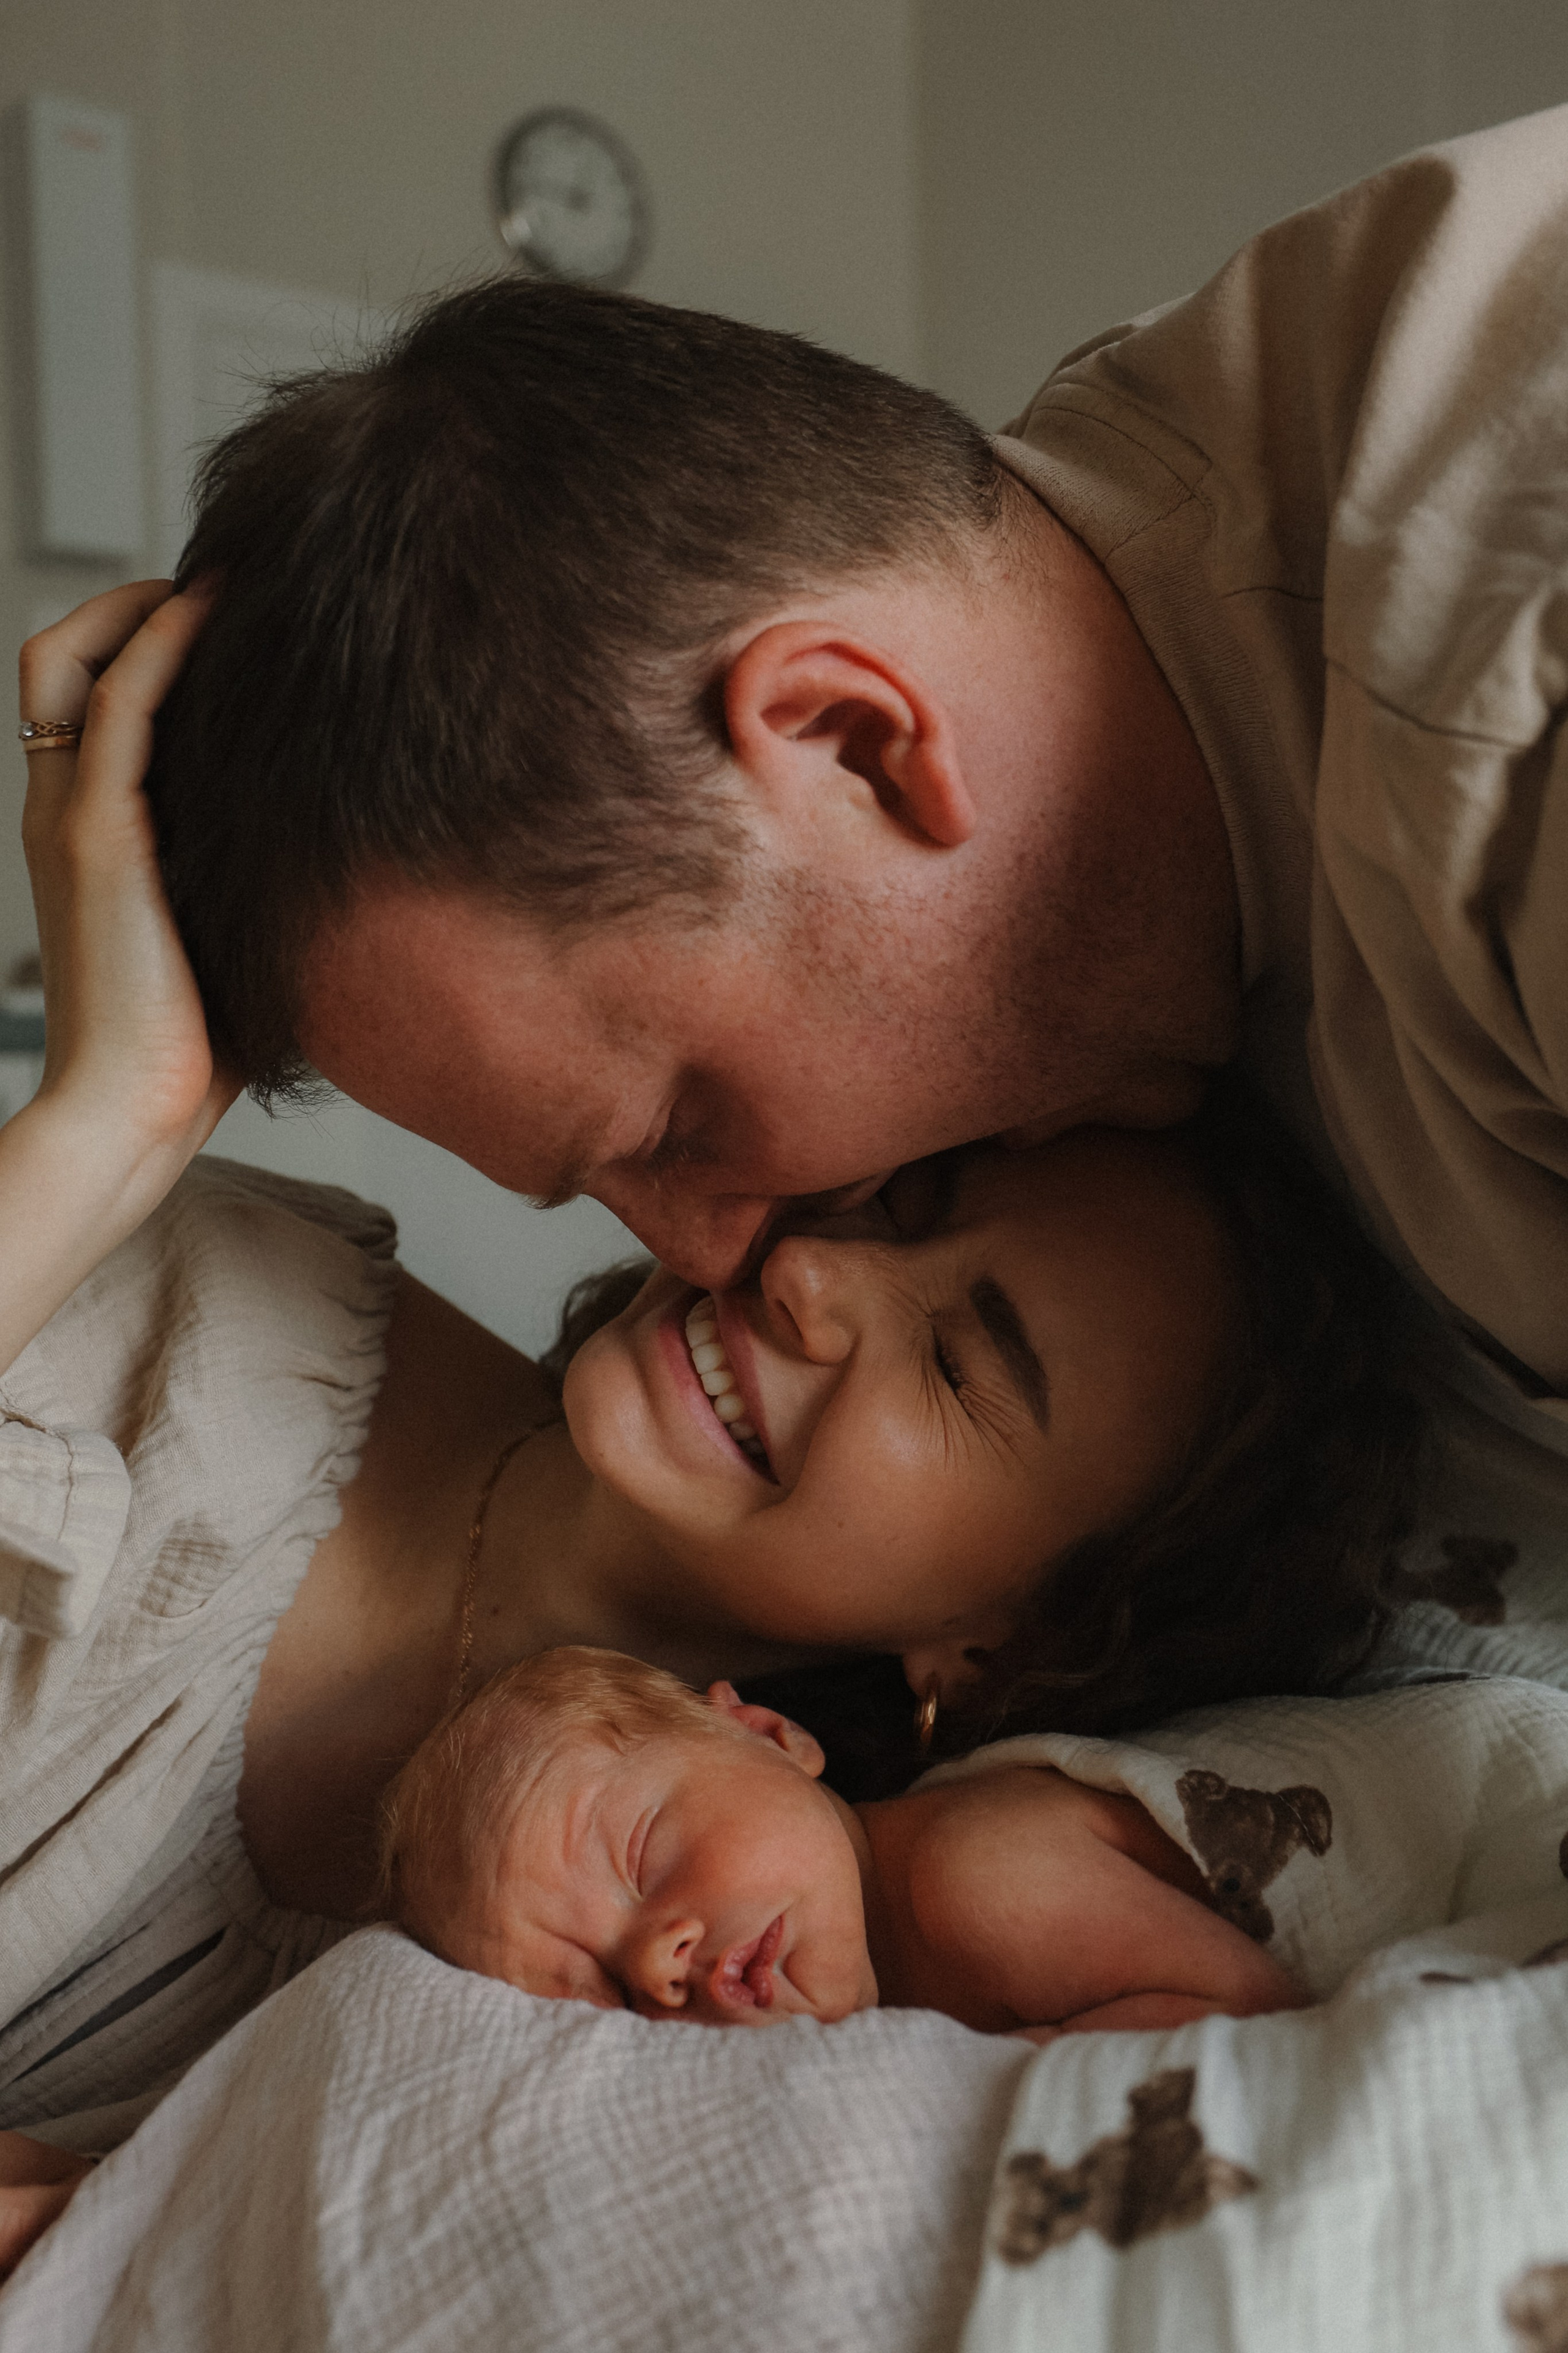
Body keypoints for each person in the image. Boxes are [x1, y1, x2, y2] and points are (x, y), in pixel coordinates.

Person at [0, 576, 1415, 2191]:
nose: (815, 1275)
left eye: (958, 1363)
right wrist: (108, 1118)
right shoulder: (219, 1334)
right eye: (891, 1196)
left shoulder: (718, 1998)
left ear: (1009, 1641)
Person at [99, 107, 1567, 1525]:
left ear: (852, 742)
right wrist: (107, 1121)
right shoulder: (1058, 635)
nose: (715, 1249)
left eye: (678, 1126)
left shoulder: (1507, 694)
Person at [379, 1646, 1308, 2036]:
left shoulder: (972, 1878)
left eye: (645, 1857)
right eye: (613, 1995)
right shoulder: (881, 1973)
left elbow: (1256, 2015)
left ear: (773, 1734)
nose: (660, 1962)